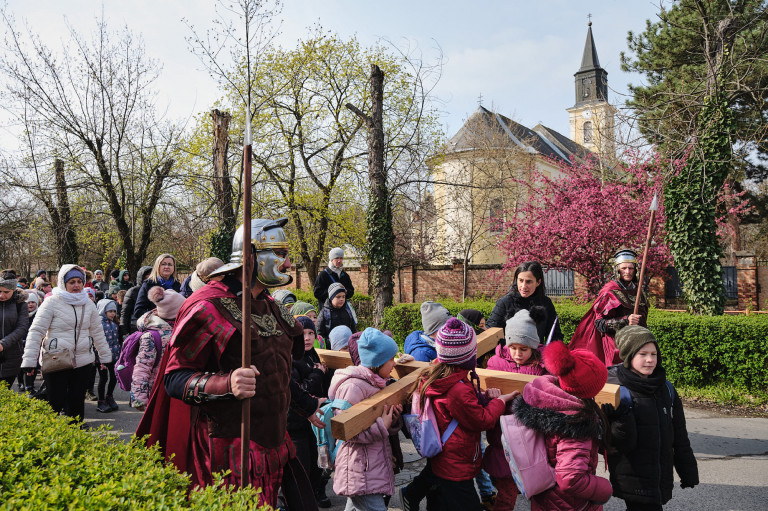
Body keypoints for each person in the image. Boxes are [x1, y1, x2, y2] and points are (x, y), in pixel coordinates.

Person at [135, 218, 320, 508]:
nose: (286, 264)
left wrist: (307, 406)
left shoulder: (271, 306)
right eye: (279, 254)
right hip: (227, 448)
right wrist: (226, 383)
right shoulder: (207, 306)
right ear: (251, 256)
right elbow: (175, 377)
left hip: (274, 443)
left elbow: (276, 371)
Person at [401, 318, 516, 511]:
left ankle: (412, 494)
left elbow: (466, 407)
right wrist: (500, 402)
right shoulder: (457, 389)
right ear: (468, 356)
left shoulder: (441, 375)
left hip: (445, 459)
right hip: (456, 467)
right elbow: (482, 419)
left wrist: (484, 398)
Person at [604, 326, 698, 510]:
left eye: (654, 354)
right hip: (633, 478)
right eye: (643, 354)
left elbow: (679, 435)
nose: (650, 360)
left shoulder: (667, 389)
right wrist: (618, 419)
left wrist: (688, 471)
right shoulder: (616, 390)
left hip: (660, 475)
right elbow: (616, 445)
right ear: (628, 356)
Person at [510, 341, 612, 510]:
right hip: (570, 504)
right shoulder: (577, 423)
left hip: (547, 498)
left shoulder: (548, 400)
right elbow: (570, 478)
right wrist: (603, 489)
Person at [21, 265, 112, 423]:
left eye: (79, 281)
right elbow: (36, 331)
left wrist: (105, 357)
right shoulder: (51, 302)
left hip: (83, 360)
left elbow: (97, 332)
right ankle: (52, 438)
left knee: (77, 403)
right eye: (71, 282)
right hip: (57, 360)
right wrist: (29, 361)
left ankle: (76, 434)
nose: (76, 285)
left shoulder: (88, 304)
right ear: (63, 283)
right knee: (55, 403)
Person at [329, 327, 401, 511]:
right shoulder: (353, 386)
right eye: (391, 359)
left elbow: (377, 422)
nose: (394, 364)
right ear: (377, 362)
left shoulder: (376, 382)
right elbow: (345, 430)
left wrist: (391, 418)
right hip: (359, 468)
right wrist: (381, 426)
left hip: (367, 466)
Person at [484, 307, 549, 509]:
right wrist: (491, 395)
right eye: (513, 348)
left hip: (532, 440)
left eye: (524, 349)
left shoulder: (542, 367)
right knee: (506, 491)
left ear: (533, 347)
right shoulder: (495, 363)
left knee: (540, 487)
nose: (518, 353)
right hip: (503, 440)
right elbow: (483, 395)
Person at [568, 249, 650, 366]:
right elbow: (600, 323)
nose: (627, 271)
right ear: (617, 270)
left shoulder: (639, 291)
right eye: (623, 268)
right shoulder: (609, 291)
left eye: (631, 268)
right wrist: (626, 320)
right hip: (616, 347)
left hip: (638, 344)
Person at [290, 315, 331, 508]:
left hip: (315, 423)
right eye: (302, 333)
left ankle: (315, 494)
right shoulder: (291, 358)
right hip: (296, 424)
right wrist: (317, 373)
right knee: (302, 468)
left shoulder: (313, 355)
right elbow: (300, 390)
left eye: (310, 333)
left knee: (318, 464)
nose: (306, 338)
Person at [130, 288, 185, 411]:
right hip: (156, 389)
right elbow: (142, 367)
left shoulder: (182, 330)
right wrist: (139, 398)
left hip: (176, 388)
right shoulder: (152, 336)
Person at [486, 261, 563, 344]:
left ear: (538, 282)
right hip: (509, 355)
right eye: (521, 280)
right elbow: (491, 334)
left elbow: (555, 336)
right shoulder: (505, 303)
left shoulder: (546, 303)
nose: (523, 286)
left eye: (529, 282)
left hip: (537, 355)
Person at [0, 270, 31, 389]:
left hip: (11, 356)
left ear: (13, 290)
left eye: (6, 292)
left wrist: (3, 344)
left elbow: (22, 328)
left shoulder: (20, 304)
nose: (1, 295)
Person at [132, 254, 181, 320]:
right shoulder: (148, 284)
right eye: (163, 264)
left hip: (175, 325)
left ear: (174, 268)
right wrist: (155, 314)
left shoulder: (177, 285)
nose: (167, 267)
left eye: (170, 264)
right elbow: (138, 311)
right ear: (157, 266)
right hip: (155, 325)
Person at [96, 299, 121, 413]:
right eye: (110, 311)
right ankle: (101, 401)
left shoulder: (114, 323)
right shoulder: (98, 324)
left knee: (114, 377)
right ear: (103, 311)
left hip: (114, 356)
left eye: (114, 311)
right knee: (103, 378)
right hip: (102, 358)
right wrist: (100, 358)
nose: (112, 313)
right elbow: (96, 342)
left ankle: (109, 396)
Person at [120, 265, 152, 337]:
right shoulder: (133, 291)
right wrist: (124, 332)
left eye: (151, 274)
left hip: (151, 327)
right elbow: (125, 313)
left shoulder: (156, 290)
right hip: (135, 328)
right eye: (147, 274)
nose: (150, 276)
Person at [17, 291, 40, 392]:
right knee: (21, 365)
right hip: (21, 342)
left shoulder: (39, 314)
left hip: (33, 343)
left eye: (32, 302)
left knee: (33, 365)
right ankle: (21, 382)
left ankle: (30, 385)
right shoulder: (20, 315)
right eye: (28, 302)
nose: (30, 304)